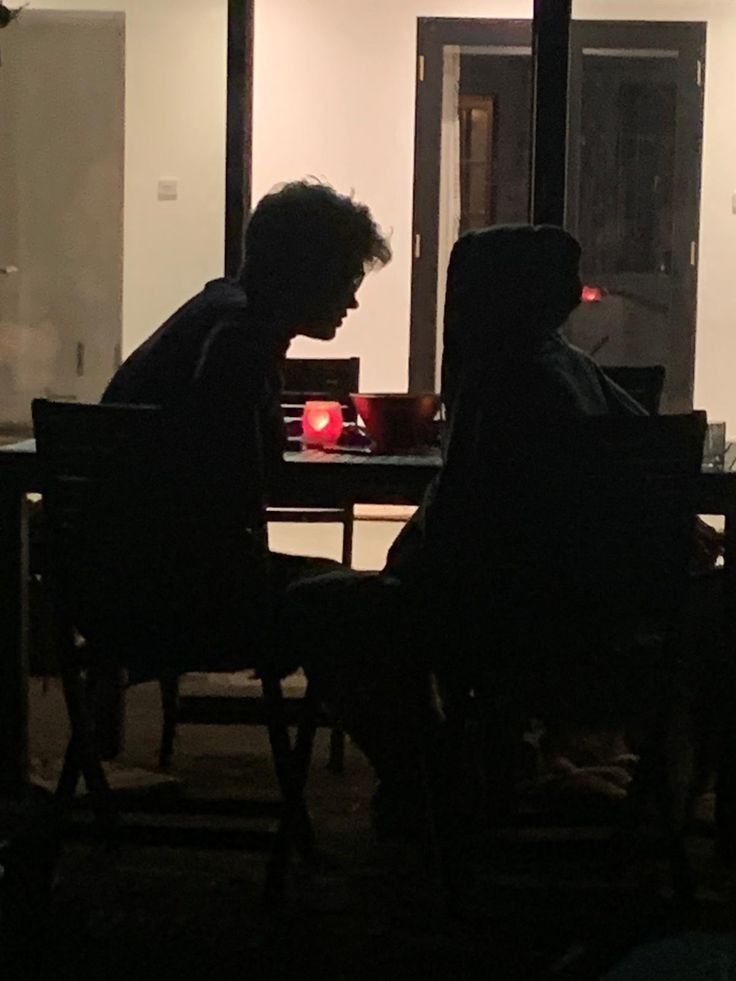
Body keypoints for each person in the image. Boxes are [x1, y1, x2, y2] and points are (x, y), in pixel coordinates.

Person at [102, 179, 391, 609]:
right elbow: (241, 477)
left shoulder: (214, 310)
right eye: (348, 277)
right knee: (375, 603)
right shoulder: (241, 340)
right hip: (190, 589)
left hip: (119, 576)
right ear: (307, 270)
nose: (353, 301)